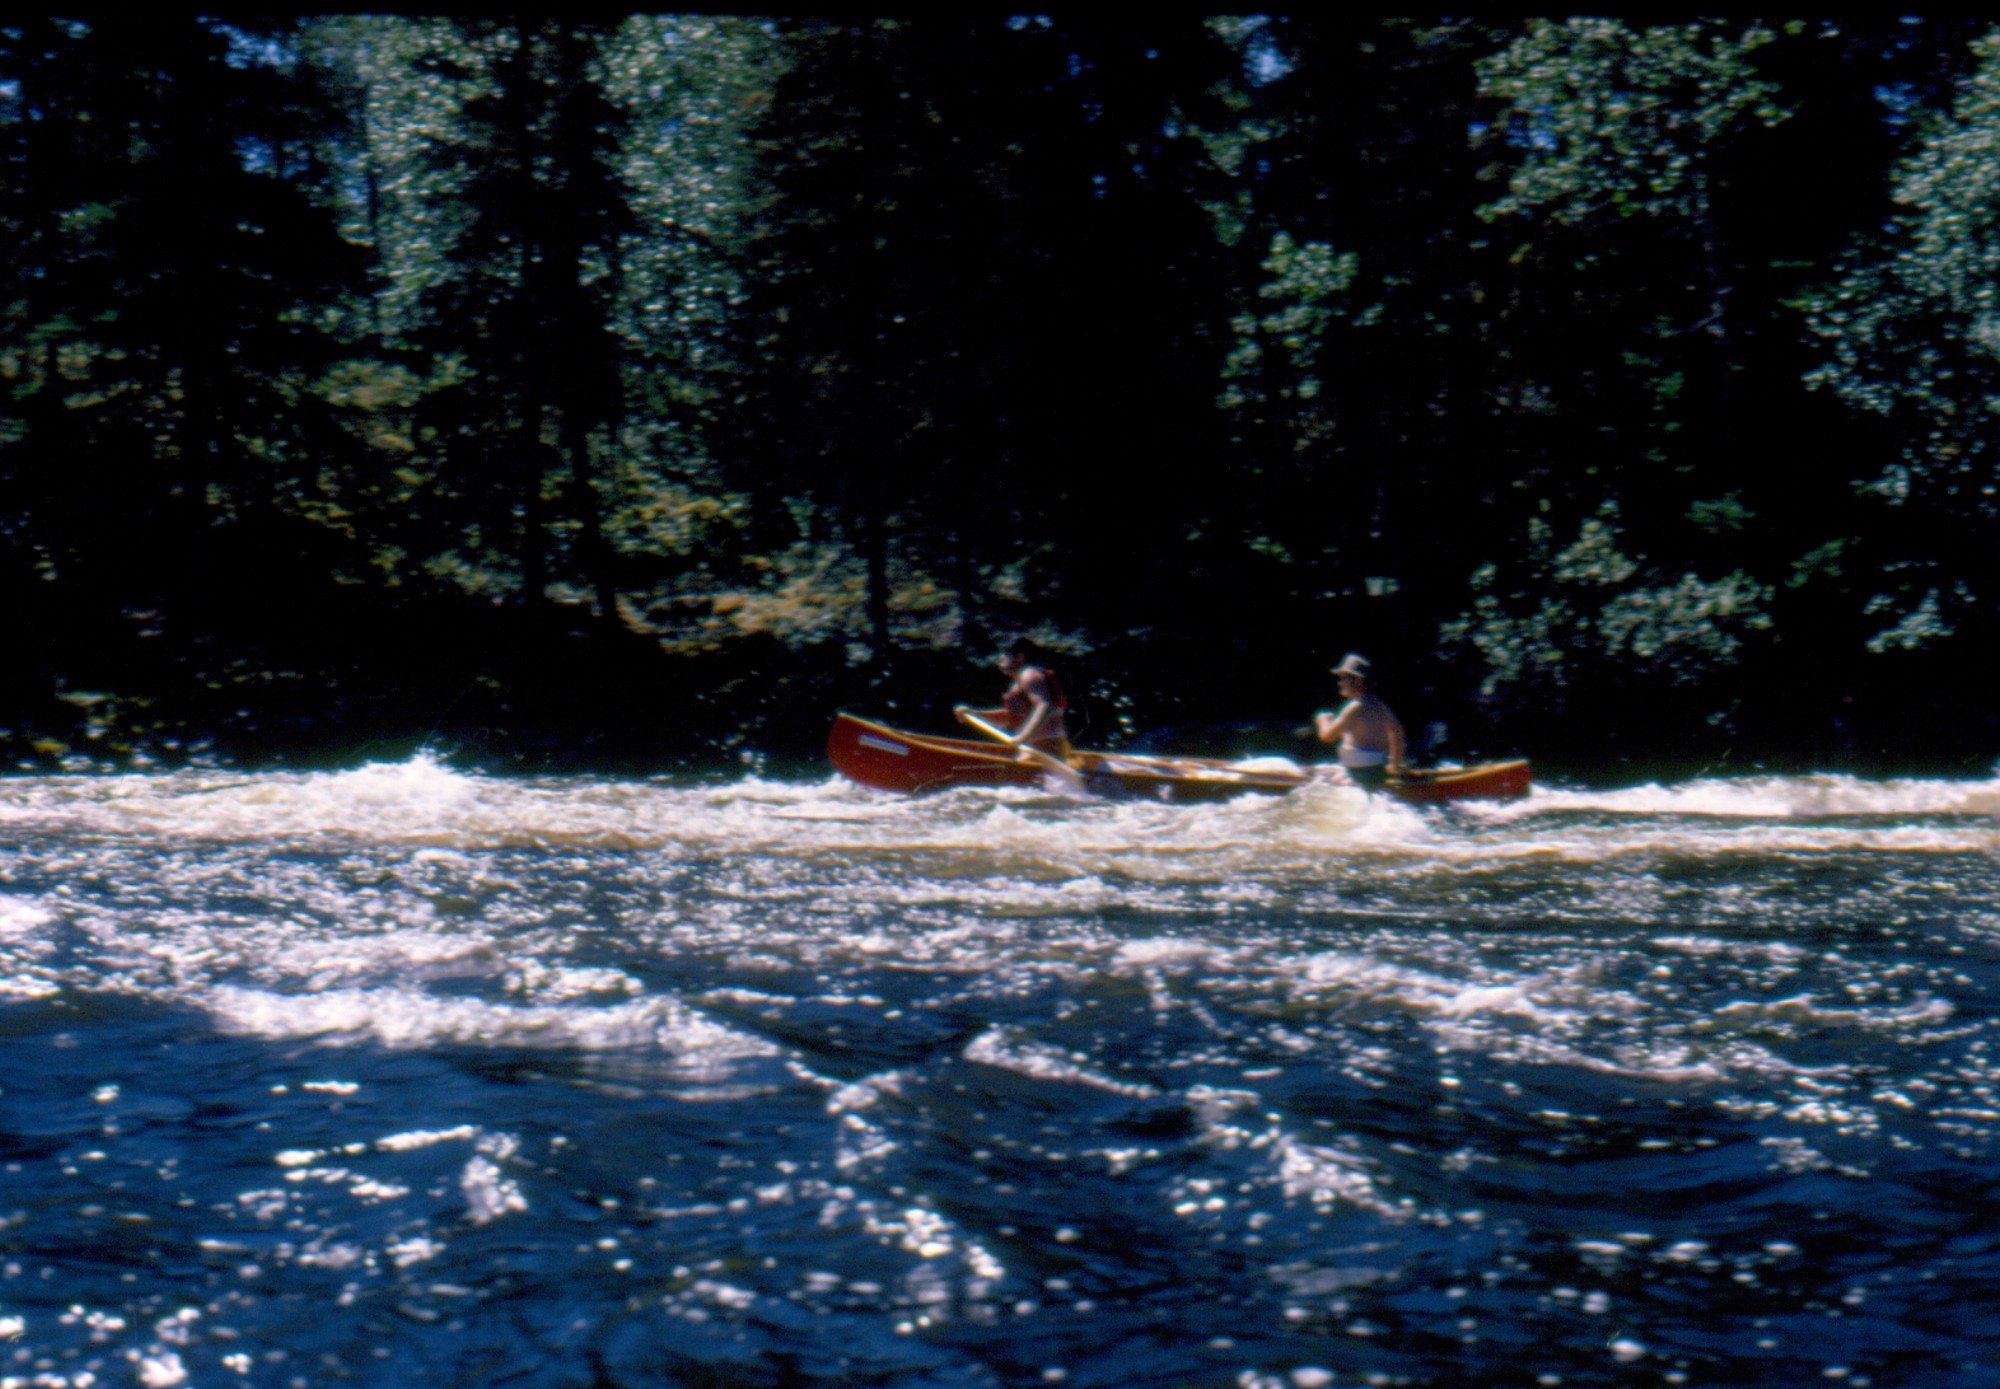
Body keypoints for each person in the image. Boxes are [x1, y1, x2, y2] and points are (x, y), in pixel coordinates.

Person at [955, 638, 1073, 762]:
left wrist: (1023, 736)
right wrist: (975, 714)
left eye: (1005, 654)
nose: (1001, 658)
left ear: (1019, 657)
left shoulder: (1029, 675)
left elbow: (1043, 705)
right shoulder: (1019, 682)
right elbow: (1010, 717)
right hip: (1034, 747)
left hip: (1047, 746)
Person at [1312, 653, 1407, 790]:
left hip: (1356, 775)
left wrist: (1322, 720)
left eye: (1343, 678)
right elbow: (1397, 731)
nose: (1340, 683)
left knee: (1321, 778)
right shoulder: (1379, 706)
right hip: (1375, 771)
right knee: (1328, 770)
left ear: (1357, 680)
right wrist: (1394, 764)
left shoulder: (1355, 707)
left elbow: (1327, 736)